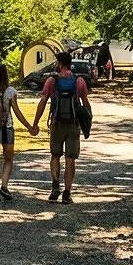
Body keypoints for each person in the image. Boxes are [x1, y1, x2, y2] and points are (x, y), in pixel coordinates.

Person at [31, 52, 90, 204]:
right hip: (73, 125)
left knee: (55, 155)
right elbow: (86, 103)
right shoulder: (79, 81)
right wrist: (88, 123)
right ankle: (67, 193)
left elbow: (43, 102)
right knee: (70, 159)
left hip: (57, 124)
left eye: (57, 62)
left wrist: (35, 123)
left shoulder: (52, 80)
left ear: (61, 63)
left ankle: (55, 187)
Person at [0, 63, 35, 202]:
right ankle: (4, 186)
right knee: (8, 159)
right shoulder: (10, 91)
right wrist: (29, 127)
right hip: (6, 128)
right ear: (5, 75)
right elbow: (17, 112)